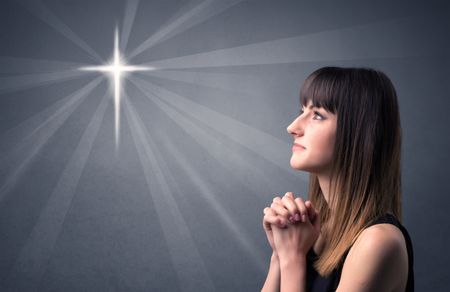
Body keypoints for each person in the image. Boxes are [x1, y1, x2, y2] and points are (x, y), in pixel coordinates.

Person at [261, 67, 414, 292]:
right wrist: (279, 254)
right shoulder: (313, 229)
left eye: (318, 115)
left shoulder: (378, 242)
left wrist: (292, 259)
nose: (292, 127)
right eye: (302, 110)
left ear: (359, 133)